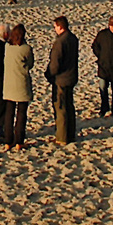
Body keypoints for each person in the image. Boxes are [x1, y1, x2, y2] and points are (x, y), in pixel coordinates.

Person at [45, 16, 79, 144]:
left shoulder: (60, 42)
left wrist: (49, 75)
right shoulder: (73, 38)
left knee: (61, 108)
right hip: (71, 77)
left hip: (61, 79)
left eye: (55, 27)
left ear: (60, 26)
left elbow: (55, 63)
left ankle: (62, 137)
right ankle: (71, 134)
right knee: (69, 107)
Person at [1, 24, 35, 150]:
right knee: (21, 114)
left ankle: (8, 140)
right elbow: (30, 64)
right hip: (21, 83)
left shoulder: (7, 47)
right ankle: (19, 141)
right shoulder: (26, 48)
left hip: (9, 84)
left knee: (9, 113)